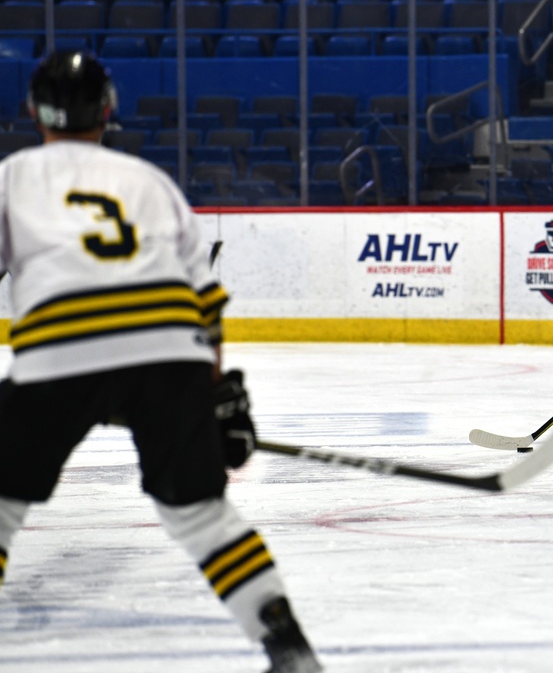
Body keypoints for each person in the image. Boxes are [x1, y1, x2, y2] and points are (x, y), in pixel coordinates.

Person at [0, 51, 322, 673]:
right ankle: (287, 645)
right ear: (109, 110)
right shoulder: (152, 183)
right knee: (199, 513)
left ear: (34, 112)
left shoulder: (12, 176)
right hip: (170, 352)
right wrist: (218, 394)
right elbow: (205, 306)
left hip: (59, 349)